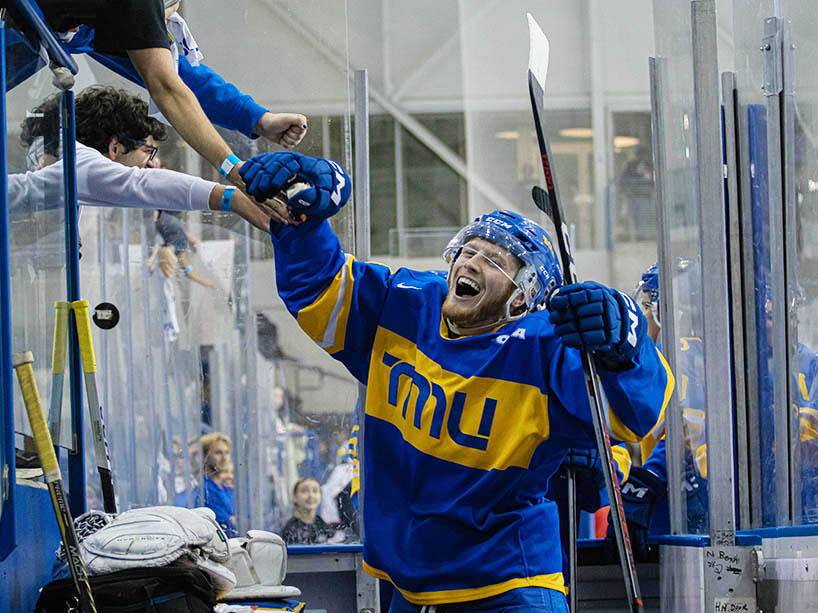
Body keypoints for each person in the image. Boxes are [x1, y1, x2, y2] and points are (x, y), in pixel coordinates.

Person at [239, 151, 674, 611]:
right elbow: (318, 289)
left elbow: (636, 418)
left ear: (525, 294)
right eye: (468, 250)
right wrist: (305, 221)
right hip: (412, 585)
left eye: (493, 259)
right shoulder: (405, 304)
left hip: (510, 586)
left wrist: (622, 345)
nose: (470, 262)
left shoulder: (547, 344)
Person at [7, 0, 307, 188]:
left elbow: (183, 79)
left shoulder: (103, 21)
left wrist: (259, 118)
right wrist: (232, 168)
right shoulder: (134, 8)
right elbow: (169, 89)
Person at [11, 86, 290, 233]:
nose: (153, 164)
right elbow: (144, 185)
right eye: (147, 151)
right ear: (115, 148)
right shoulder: (78, 164)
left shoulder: (58, 162)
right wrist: (235, 199)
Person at [193, 431, 237, 536]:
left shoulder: (226, 488)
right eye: (218, 453)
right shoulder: (205, 489)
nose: (224, 458)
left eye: (227, 452)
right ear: (205, 456)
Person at [281, 477, 337, 545]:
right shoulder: (291, 530)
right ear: (294, 497)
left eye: (315, 491)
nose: (311, 495)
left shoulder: (319, 521)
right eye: (304, 491)